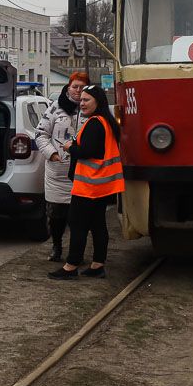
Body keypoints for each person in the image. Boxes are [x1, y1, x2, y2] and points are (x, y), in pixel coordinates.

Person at [48, 85, 123, 280]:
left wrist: (70, 146)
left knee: (78, 224)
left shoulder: (94, 124)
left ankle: (71, 267)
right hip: (101, 185)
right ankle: (98, 265)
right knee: (98, 225)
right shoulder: (106, 122)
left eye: (86, 100)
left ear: (98, 101)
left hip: (88, 185)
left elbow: (87, 152)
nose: (82, 103)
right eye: (81, 100)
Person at [33, 72, 89, 261]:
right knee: (56, 215)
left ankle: (76, 252)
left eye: (82, 87)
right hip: (58, 173)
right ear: (68, 87)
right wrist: (52, 153)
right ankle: (56, 246)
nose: (78, 91)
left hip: (82, 172)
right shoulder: (56, 108)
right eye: (75, 86)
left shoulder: (91, 109)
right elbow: (40, 134)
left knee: (78, 217)